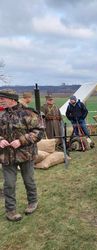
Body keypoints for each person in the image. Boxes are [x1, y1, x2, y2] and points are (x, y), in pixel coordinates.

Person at [0, 89, 44, 221]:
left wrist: (21, 141)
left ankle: (33, 202)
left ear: (12, 99)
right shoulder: (2, 115)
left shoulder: (28, 113)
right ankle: (11, 210)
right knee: (9, 184)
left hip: (25, 155)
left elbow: (39, 131)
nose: (1, 100)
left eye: (3, 98)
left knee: (29, 181)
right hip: (6, 156)